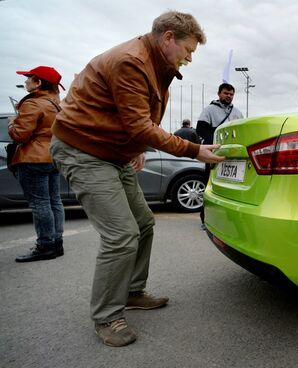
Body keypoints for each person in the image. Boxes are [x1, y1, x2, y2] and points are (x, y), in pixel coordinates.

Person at [49, 11, 226, 347]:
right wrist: (194, 150)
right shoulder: (131, 61)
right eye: (188, 50)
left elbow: (136, 119)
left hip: (112, 152)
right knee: (121, 234)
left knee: (143, 223)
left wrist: (136, 146)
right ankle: (107, 317)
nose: (190, 58)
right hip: (84, 150)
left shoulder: (158, 64)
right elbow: (138, 123)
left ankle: (131, 292)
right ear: (168, 37)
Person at [8, 66, 66, 262]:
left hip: (33, 158)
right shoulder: (57, 105)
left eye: (29, 78)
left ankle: (45, 246)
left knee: (40, 203)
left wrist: (11, 123)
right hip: (52, 157)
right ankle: (56, 243)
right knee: (54, 201)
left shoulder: (33, 104)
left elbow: (20, 134)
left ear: (38, 83)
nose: (26, 82)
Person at [196, 83, 244, 228]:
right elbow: (201, 129)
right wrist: (216, 144)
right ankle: (205, 218)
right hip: (214, 154)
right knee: (209, 185)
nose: (228, 96)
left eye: (231, 94)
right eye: (225, 93)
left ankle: (230, 220)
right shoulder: (209, 110)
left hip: (232, 157)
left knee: (232, 188)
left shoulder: (237, 112)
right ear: (219, 94)